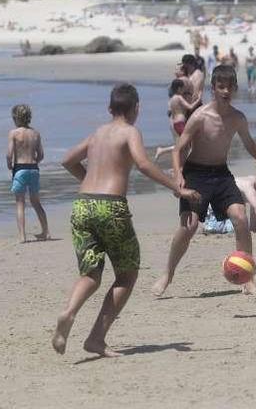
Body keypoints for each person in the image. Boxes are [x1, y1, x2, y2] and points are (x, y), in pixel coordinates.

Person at [51, 83, 200, 358]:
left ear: (109, 109)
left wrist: (87, 180)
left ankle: (69, 312)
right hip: (111, 207)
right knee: (127, 274)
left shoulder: (97, 133)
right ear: (137, 109)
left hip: (82, 205)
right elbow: (143, 164)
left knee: (91, 274)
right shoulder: (130, 132)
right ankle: (96, 337)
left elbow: (68, 160)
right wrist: (177, 188)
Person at [153, 65, 256, 296]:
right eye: (220, 86)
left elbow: (251, 146)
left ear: (234, 89)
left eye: (229, 87)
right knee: (189, 227)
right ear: (212, 88)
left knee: (240, 218)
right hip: (196, 174)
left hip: (221, 174)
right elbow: (178, 149)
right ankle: (168, 274)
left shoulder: (237, 118)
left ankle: (248, 279)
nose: (225, 91)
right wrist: (179, 176)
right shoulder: (200, 116)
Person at [6, 104, 49, 243]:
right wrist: (34, 160)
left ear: (15, 118)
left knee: (20, 203)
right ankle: (45, 232)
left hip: (20, 168)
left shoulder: (14, 133)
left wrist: (9, 165)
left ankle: (22, 236)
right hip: (34, 168)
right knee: (36, 202)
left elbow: (9, 154)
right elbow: (41, 155)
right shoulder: (35, 133)